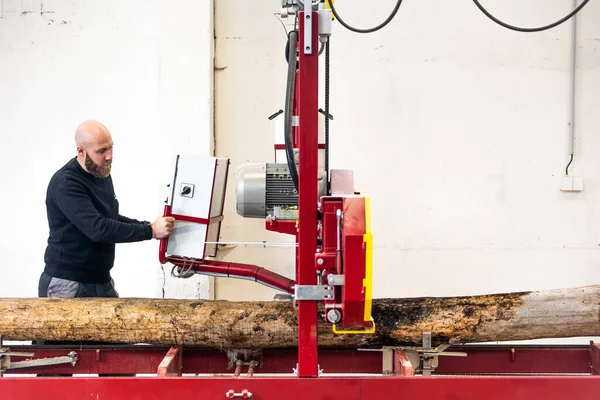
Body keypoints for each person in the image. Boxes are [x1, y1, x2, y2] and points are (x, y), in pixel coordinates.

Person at [38, 120, 174, 299]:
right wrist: (150, 231)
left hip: (100, 280)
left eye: (111, 148)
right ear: (81, 151)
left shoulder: (100, 172)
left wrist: (149, 226)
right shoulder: (66, 184)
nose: (109, 156)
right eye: (101, 151)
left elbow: (110, 218)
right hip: (67, 283)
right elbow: (98, 228)